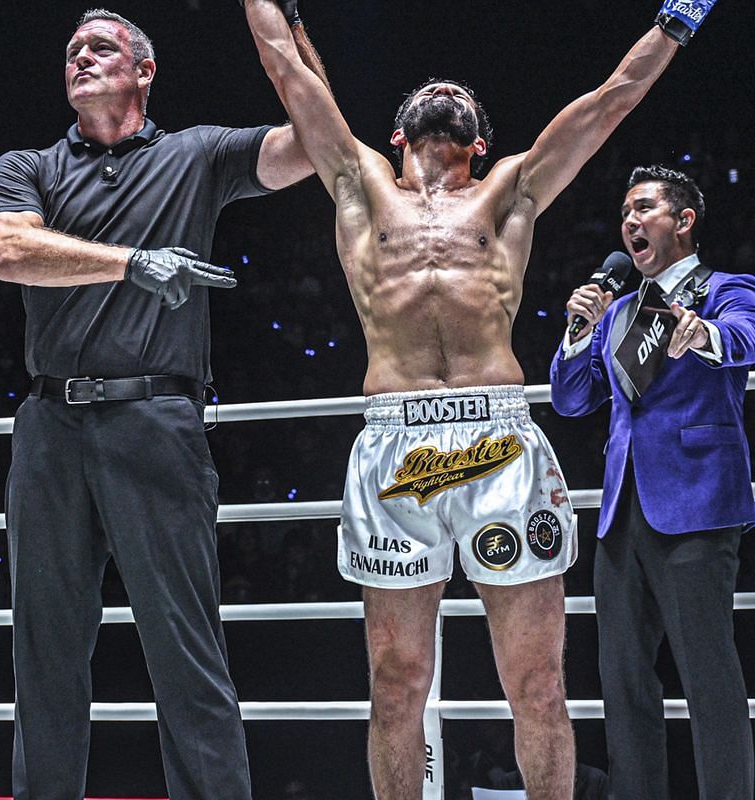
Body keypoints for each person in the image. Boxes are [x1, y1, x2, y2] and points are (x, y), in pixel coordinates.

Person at [242, 0, 720, 797]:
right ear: (395, 136)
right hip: (395, 443)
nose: (442, 87)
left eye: (457, 91)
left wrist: (679, 17)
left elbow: (613, 98)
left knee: (537, 683)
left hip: (498, 440)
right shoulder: (361, 187)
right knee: (396, 684)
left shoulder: (511, 190)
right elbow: (288, 72)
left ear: (480, 140)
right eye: (429, 89)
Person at [0, 7, 319, 798]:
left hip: (157, 422)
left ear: (144, 71)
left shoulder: (194, 153)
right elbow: (9, 250)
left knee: (185, 647)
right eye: (72, 51)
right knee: (45, 654)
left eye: (102, 48)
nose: (82, 59)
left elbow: (312, 144)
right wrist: (134, 263)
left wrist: (288, 22)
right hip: (49, 426)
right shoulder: (25, 166)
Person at [549, 165, 755, 800]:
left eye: (643, 209)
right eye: (624, 213)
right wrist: (577, 330)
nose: (629, 222)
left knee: (708, 674)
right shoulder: (614, 314)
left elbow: (744, 338)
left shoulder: (724, 288)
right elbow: (570, 399)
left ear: (683, 221)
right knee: (624, 678)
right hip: (622, 512)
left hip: (697, 502)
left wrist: (705, 334)